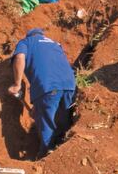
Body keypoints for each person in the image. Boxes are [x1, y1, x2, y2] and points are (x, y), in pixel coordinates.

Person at [8, 28, 76, 158]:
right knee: (63, 120)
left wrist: (17, 84)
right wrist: (39, 109)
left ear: (29, 35)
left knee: (47, 123)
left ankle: (46, 155)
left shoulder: (26, 42)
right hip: (69, 85)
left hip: (48, 86)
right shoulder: (55, 44)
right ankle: (63, 150)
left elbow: (20, 57)